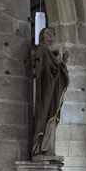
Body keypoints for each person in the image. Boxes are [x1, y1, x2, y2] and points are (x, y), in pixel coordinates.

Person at [31, 27, 69, 156]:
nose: (51, 34)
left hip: (52, 89)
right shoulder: (42, 50)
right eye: (48, 32)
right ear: (41, 35)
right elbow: (47, 69)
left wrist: (62, 62)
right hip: (46, 89)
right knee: (46, 115)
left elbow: (55, 70)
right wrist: (59, 62)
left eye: (53, 33)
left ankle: (48, 147)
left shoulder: (49, 52)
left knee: (52, 116)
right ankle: (43, 147)